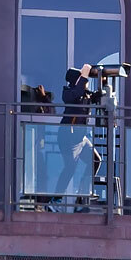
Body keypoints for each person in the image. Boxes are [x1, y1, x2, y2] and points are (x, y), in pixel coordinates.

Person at [54, 64, 102, 206]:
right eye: (82, 79)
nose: (86, 82)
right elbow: (76, 94)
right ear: (76, 80)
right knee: (70, 168)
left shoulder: (84, 93)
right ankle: (55, 199)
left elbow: (95, 97)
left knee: (95, 160)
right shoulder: (68, 92)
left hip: (81, 138)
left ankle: (83, 192)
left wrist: (102, 82)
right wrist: (84, 75)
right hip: (68, 137)